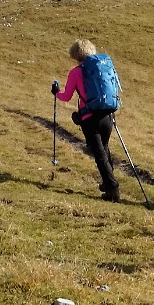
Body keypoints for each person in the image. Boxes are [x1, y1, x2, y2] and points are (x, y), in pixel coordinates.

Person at [52, 39, 120, 201]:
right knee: (104, 148)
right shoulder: (103, 68)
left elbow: (66, 96)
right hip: (108, 115)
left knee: (99, 154)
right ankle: (108, 182)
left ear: (75, 55)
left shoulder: (76, 72)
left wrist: (56, 92)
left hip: (90, 118)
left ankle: (113, 191)